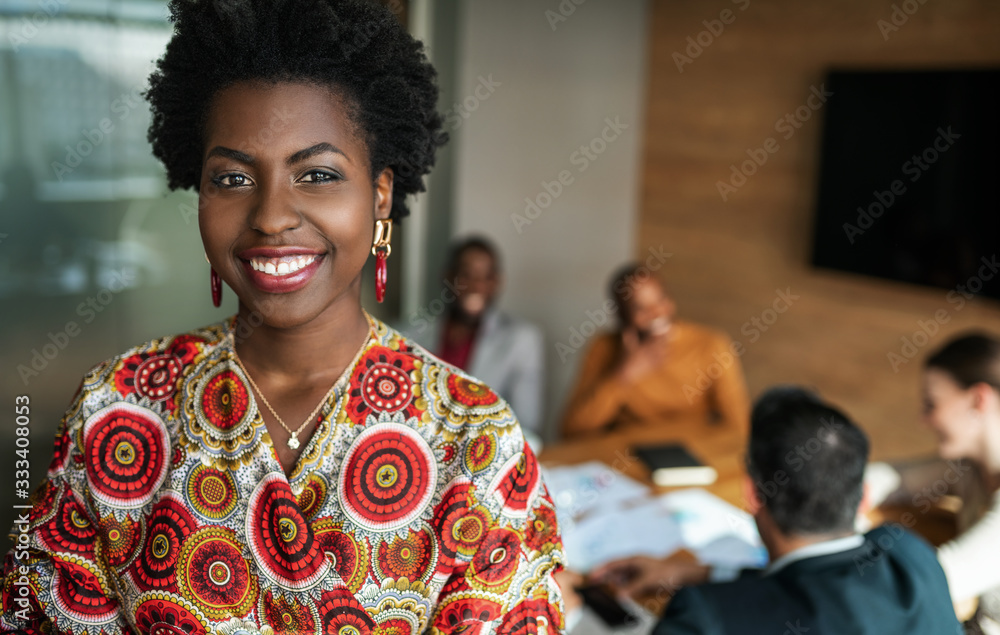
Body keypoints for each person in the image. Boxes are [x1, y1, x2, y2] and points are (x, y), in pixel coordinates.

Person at [0, 2, 565, 635]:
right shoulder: (116, 408)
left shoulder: (474, 442)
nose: (271, 215)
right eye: (233, 177)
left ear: (378, 195)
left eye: (318, 174)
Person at [586, 387, 961, 635]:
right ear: (864, 496)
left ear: (752, 494)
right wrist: (699, 572)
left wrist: (564, 610)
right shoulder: (912, 555)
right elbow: (816, 582)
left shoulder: (705, 619)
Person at [559, 264, 749, 439]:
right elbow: (572, 429)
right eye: (640, 308)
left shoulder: (711, 345)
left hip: (690, 453)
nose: (656, 313)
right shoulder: (604, 347)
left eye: (661, 299)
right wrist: (623, 375)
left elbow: (739, 424)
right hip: (625, 454)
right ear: (621, 316)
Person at [406, 236, 545, 434]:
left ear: (497, 283)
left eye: (486, 277)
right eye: (466, 275)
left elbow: (527, 427)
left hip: (486, 455)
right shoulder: (411, 334)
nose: (476, 286)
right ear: (447, 277)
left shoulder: (521, 340)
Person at [922, 332, 1000, 632]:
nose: (923, 418)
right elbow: (884, 479)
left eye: (931, 404)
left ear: (978, 399)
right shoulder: (968, 469)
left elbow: (936, 582)